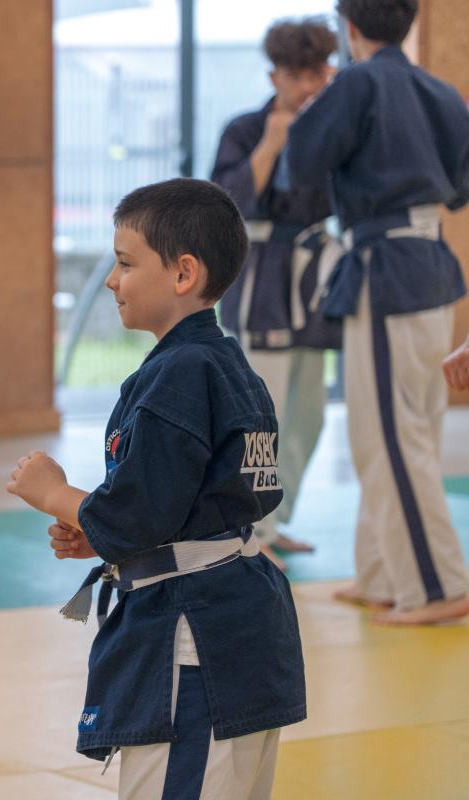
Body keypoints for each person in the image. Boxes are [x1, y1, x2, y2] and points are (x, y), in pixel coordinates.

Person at [7, 179, 305, 800]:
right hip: (240, 619)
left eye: (125, 263)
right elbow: (199, 502)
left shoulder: (180, 374)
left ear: (183, 274)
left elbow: (138, 513)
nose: (111, 281)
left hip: (195, 644)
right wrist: (103, 538)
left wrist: (55, 493)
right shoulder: (227, 365)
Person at [284, 0, 469, 624]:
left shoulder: (358, 83)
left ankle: (438, 586)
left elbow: (301, 164)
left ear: (350, 26)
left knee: (390, 436)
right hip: (430, 265)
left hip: (387, 272)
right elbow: (461, 188)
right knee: (400, 428)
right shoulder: (440, 91)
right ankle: (383, 574)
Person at [212, 18, 343, 567]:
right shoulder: (245, 128)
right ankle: (249, 529)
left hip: (312, 279)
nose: (308, 86)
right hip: (261, 278)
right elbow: (226, 203)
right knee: (260, 414)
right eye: (296, 76)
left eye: (317, 74)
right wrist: (273, 142)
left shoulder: (334, 127)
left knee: (309, 412)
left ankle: (275, 520)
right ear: (275, 76)